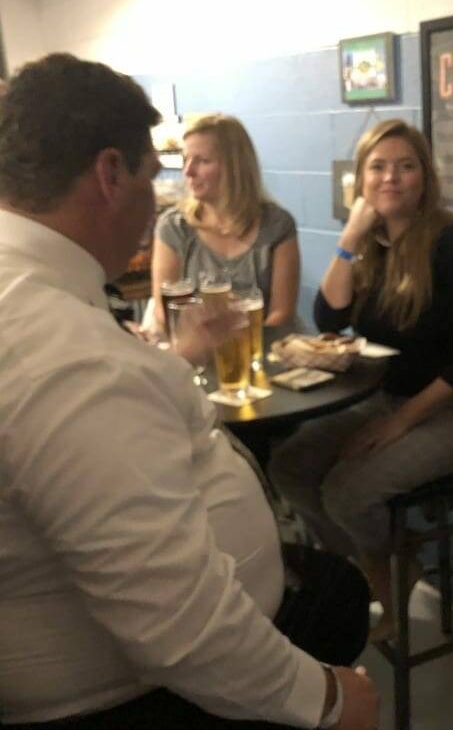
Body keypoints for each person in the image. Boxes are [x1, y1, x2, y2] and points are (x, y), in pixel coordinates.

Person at [0, 53, 378, 730]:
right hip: (128, 696)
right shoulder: (62, 352)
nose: (165, 194)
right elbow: (179, 626)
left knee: (328, 578)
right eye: (156, 174)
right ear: (111, 174)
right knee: (336, 594)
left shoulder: (36, 300)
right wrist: (328, 701)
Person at [269, 119, 453, 642]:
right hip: (388, 400)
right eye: (378, 167)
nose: (391, 177)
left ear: (424, 177)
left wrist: (400, 423)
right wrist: (349, 238)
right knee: (290, 466)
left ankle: (388, 578)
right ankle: (385, 571)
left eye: (405, 166)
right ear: (361, 180)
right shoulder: (372, 248)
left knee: (347, 494)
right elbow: (329, 318)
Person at [151, 113, 300, 333]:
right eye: (186, 160)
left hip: (262, 351)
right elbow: (163, 313)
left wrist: (239, 352)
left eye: (202, 161)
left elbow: (281, 313)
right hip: (195, 357)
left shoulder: (277, 225)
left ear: (235, 166)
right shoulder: (174, 227)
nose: (188, 171)